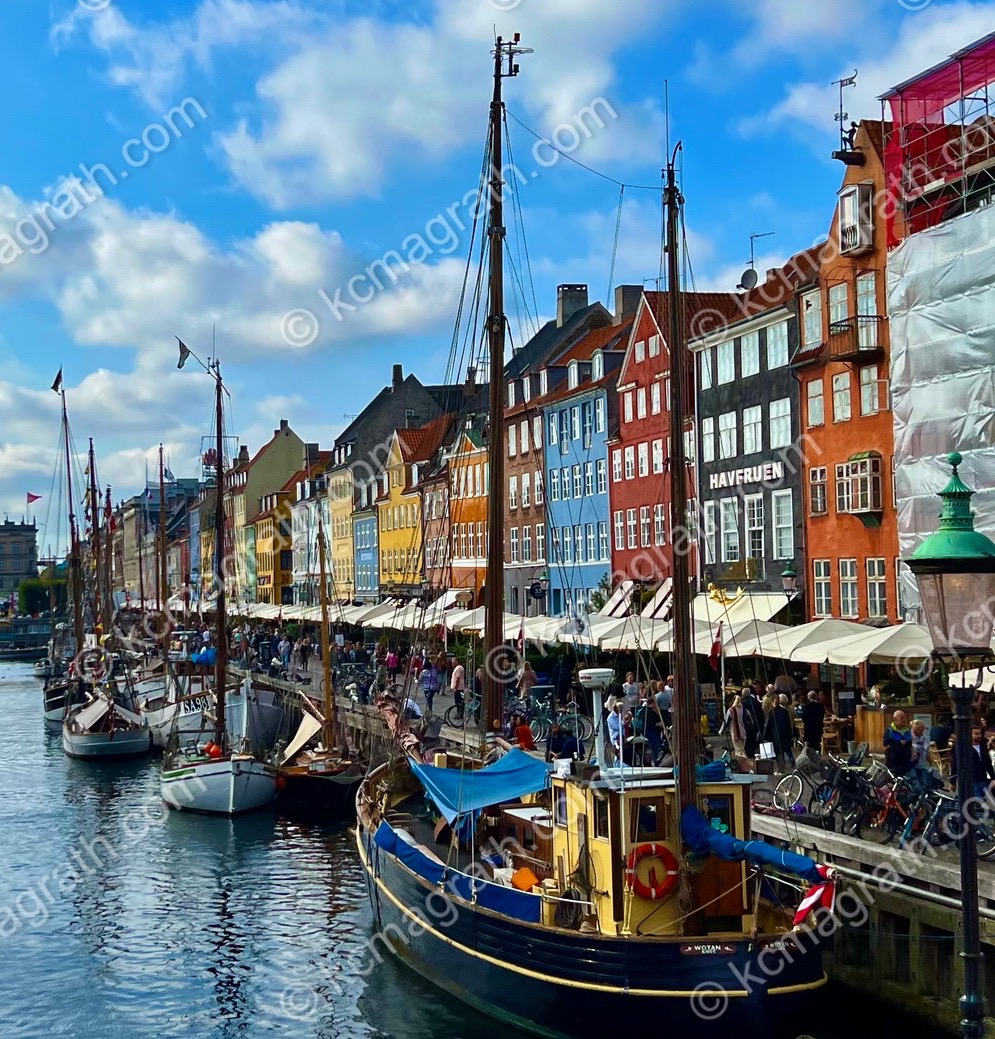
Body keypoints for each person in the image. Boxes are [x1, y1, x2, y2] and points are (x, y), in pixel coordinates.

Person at [763, 694, 795, 773]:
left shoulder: (771, 712)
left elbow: (767, 725)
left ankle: (780, 769)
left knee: (778, 752)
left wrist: (764, 736)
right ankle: (787, 762)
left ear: (772, 701)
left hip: (775, 735)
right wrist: (790, 735)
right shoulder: (785, 711)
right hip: (784, 734)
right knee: (784, 750)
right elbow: (788, 724)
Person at [883, 710, 913, 776]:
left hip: (905, 760)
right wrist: (898, 742)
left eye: (905, 718)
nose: (904, 720)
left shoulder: (907, 730)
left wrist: (906, 743)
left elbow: (910, 743)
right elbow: (885, 743)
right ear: (895, 719)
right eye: (901, 718)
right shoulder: (890, 730)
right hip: (894, 761)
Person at [720, 694, 746, 760]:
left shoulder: (731, 710)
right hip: (744, 733)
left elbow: (726, 722)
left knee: (739, 752)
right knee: (741, 748)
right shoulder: (744, 710)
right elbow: (750, 721)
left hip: (736, 733)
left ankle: (744, 765)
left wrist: (721, 731)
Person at [741, 685, 764, 761]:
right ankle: (752, 753)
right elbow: (761, 713)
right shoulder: (756, 702)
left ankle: (748, 755)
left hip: (747, 725)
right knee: (753, 740)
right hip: (756, 724)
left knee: (747, 740)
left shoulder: (743, 703)